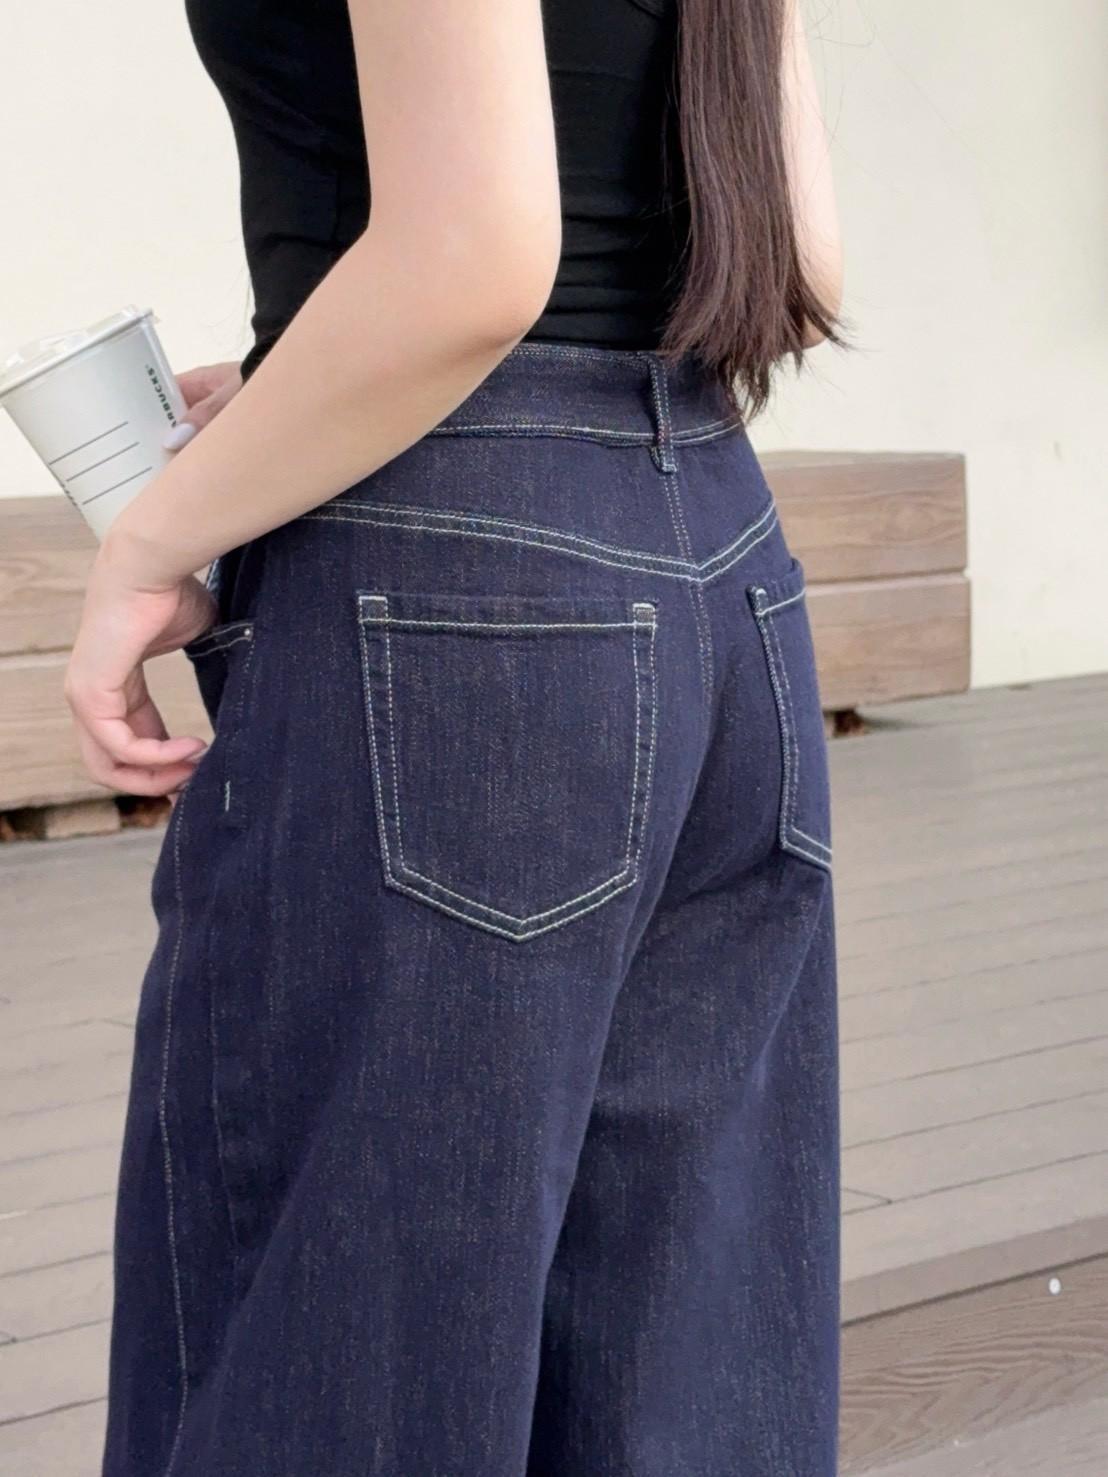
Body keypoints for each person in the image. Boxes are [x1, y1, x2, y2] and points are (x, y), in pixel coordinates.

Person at [67, 0, 845, 1472]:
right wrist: (302, 396)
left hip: (454, 589)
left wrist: (149, 541)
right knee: (683, 1375)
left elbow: (478, 257)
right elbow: (800, 262)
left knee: (336, 1366)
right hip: (723, 571)